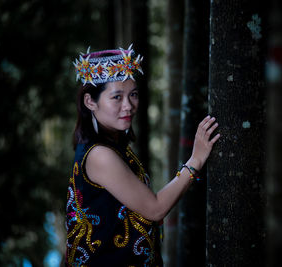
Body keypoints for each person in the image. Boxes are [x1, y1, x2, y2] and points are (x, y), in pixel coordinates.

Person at [65, 45, 220, 266]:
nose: (128, 106)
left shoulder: (110, 146)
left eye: (133, 95)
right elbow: (155, 209)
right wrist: (196, 159)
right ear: (90, 101)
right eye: (117, 97)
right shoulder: (100, 155)